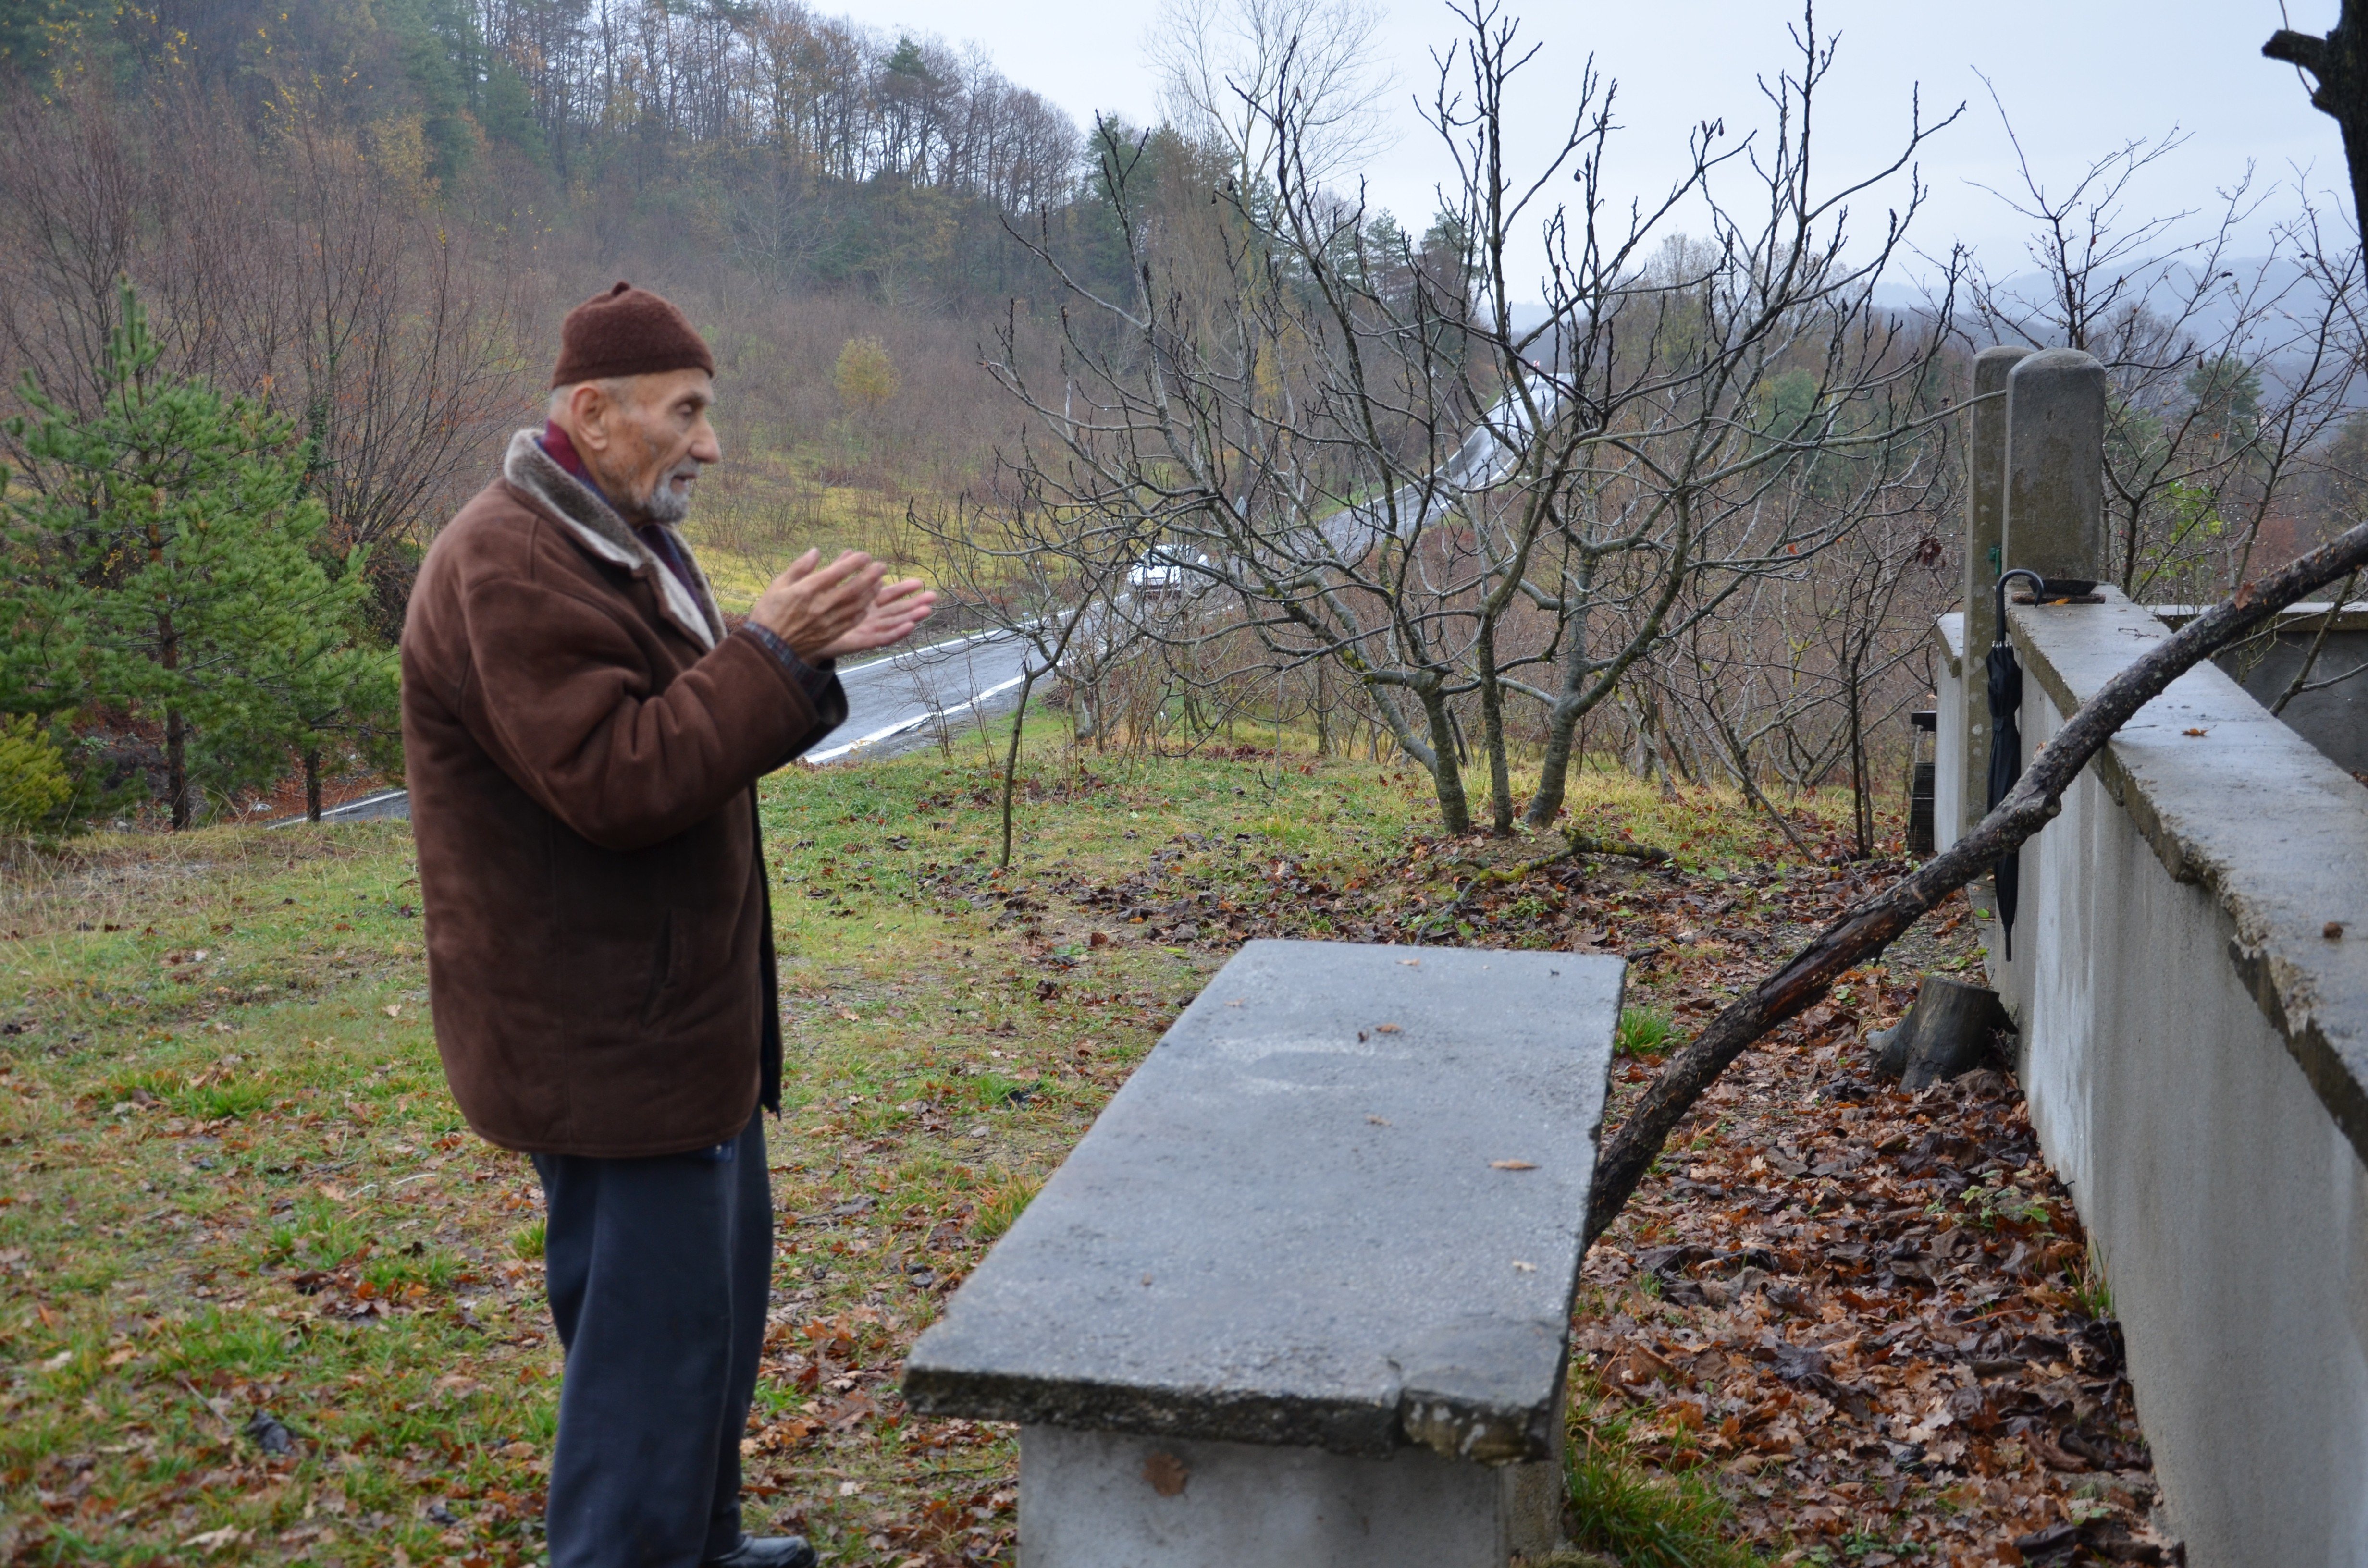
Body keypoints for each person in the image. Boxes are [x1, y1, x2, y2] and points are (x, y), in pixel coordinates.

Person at [400, 282, 935, 1568]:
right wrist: (771, 652)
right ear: (594, 411)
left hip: (678, 1038)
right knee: (645, 1370)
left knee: (704, 1328)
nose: (712, 445)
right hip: (602, 1051)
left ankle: (701, 1542)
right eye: (687, 413)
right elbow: (620, 780)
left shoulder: (612, 531)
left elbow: (696, 705)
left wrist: (792, 659)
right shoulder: (508, 563)